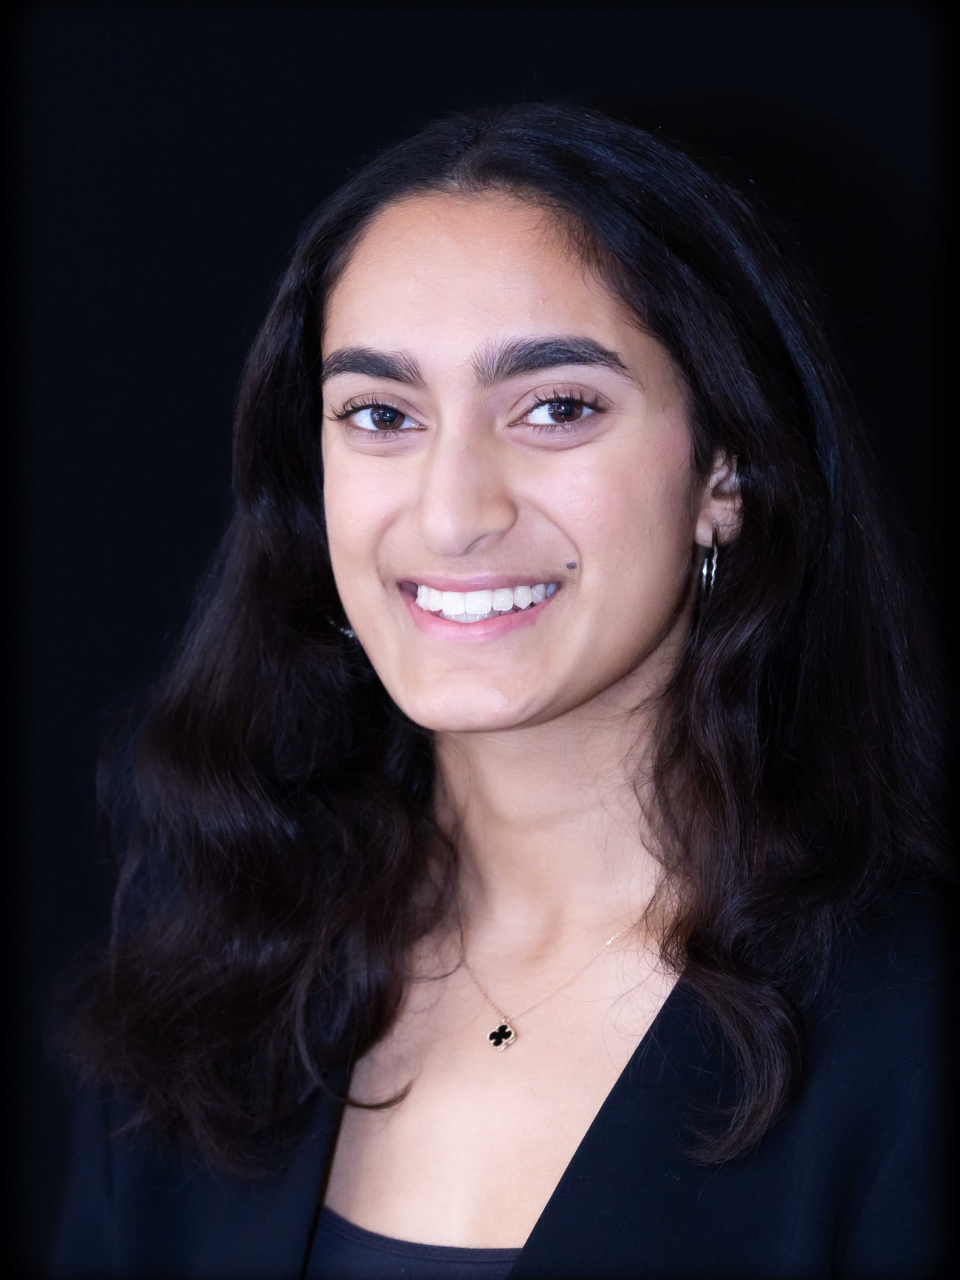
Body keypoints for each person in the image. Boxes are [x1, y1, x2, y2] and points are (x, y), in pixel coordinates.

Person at [50, 102, 955, 1279]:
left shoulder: (914, 1033)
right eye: (380, 415)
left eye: (557, 407)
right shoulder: (206, 952)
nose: (452, 509)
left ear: (723, 470)